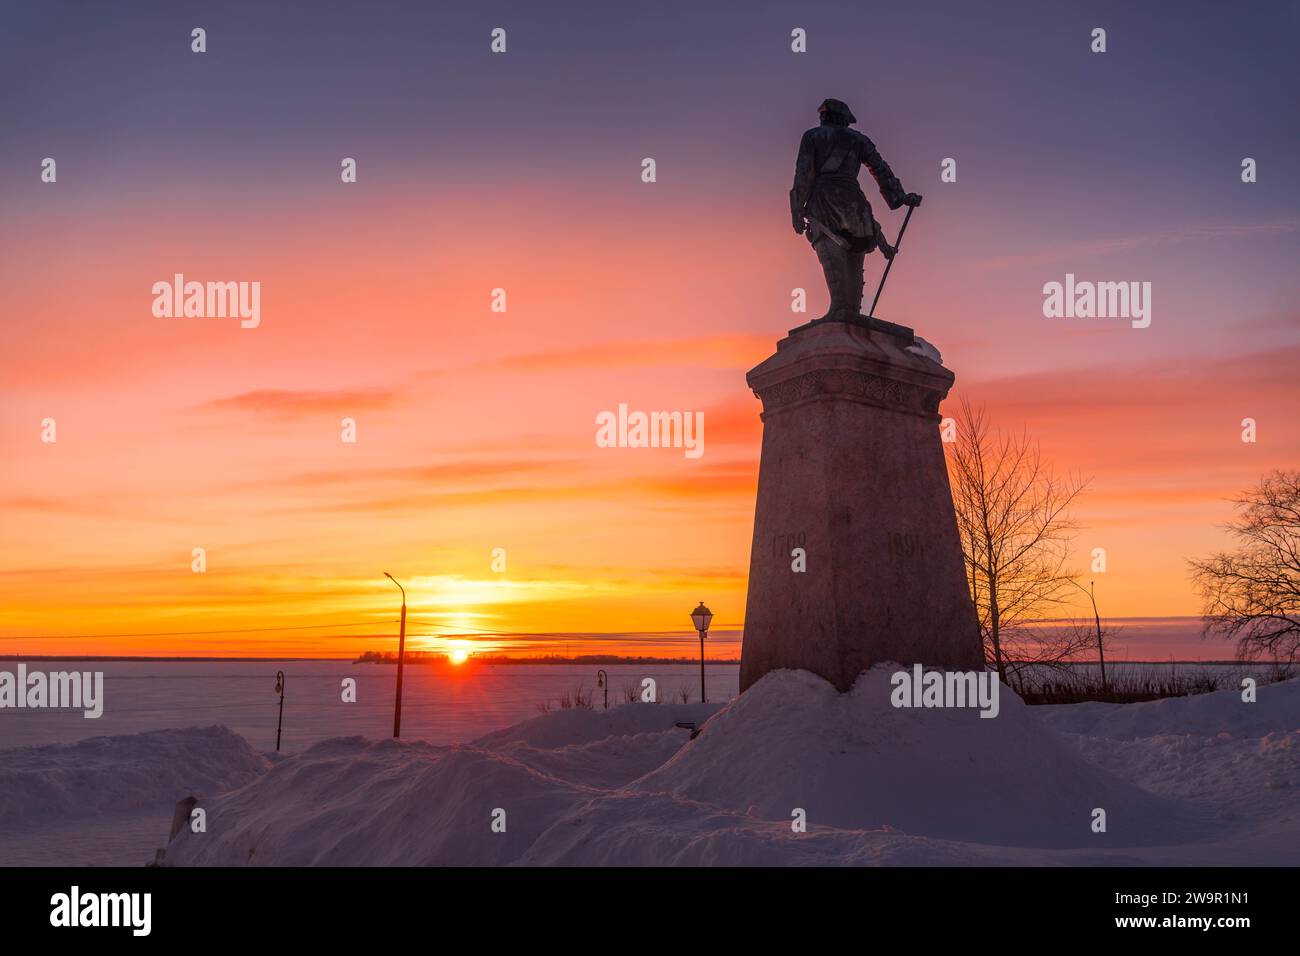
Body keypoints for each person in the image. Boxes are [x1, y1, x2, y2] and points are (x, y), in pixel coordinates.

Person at [790, 98, 923, 320]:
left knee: (830, 252)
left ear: (825, 117)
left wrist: (796, 210)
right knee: (853, 256)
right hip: (855, 205)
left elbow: (803, 173)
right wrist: (899, 197)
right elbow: (881, 169)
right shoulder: (859, 140)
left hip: (823, 201)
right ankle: (850, 312)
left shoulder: (812, 136)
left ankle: (840, 310)